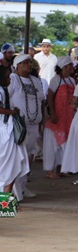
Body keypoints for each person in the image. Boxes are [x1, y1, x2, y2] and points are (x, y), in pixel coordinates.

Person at [9, 54, 43, 199]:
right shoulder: (13, 79)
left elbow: (42, 101)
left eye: (29, 62)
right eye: (25, 63)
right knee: (18, 158)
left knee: (29, 157)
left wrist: (42, 121)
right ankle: (14, 192)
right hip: (19, 126)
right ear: (17, 65)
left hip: (34, 124)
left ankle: (23, 187)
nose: (29, 65)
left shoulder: (35, 81)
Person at [42, 56, 75, 179]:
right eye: (69, 65)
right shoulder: (56, 80)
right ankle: (50, 170)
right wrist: (53, 113)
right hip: (57, 115)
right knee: (52, 143)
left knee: (65, 142)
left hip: (68, 116)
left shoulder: (72, 80)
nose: (72, 68)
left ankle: (62, 168)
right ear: (63, 67)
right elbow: (50, 97)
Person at [0, 65, 30, 197]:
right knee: (9, 168)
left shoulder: (4, 90)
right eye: (7, 77)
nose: (10, 79)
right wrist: (11, 112)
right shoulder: (1, 91)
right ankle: (5, 205)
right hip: (6, 132)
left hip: (8, 131)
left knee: (11, 169)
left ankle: (5, 204)